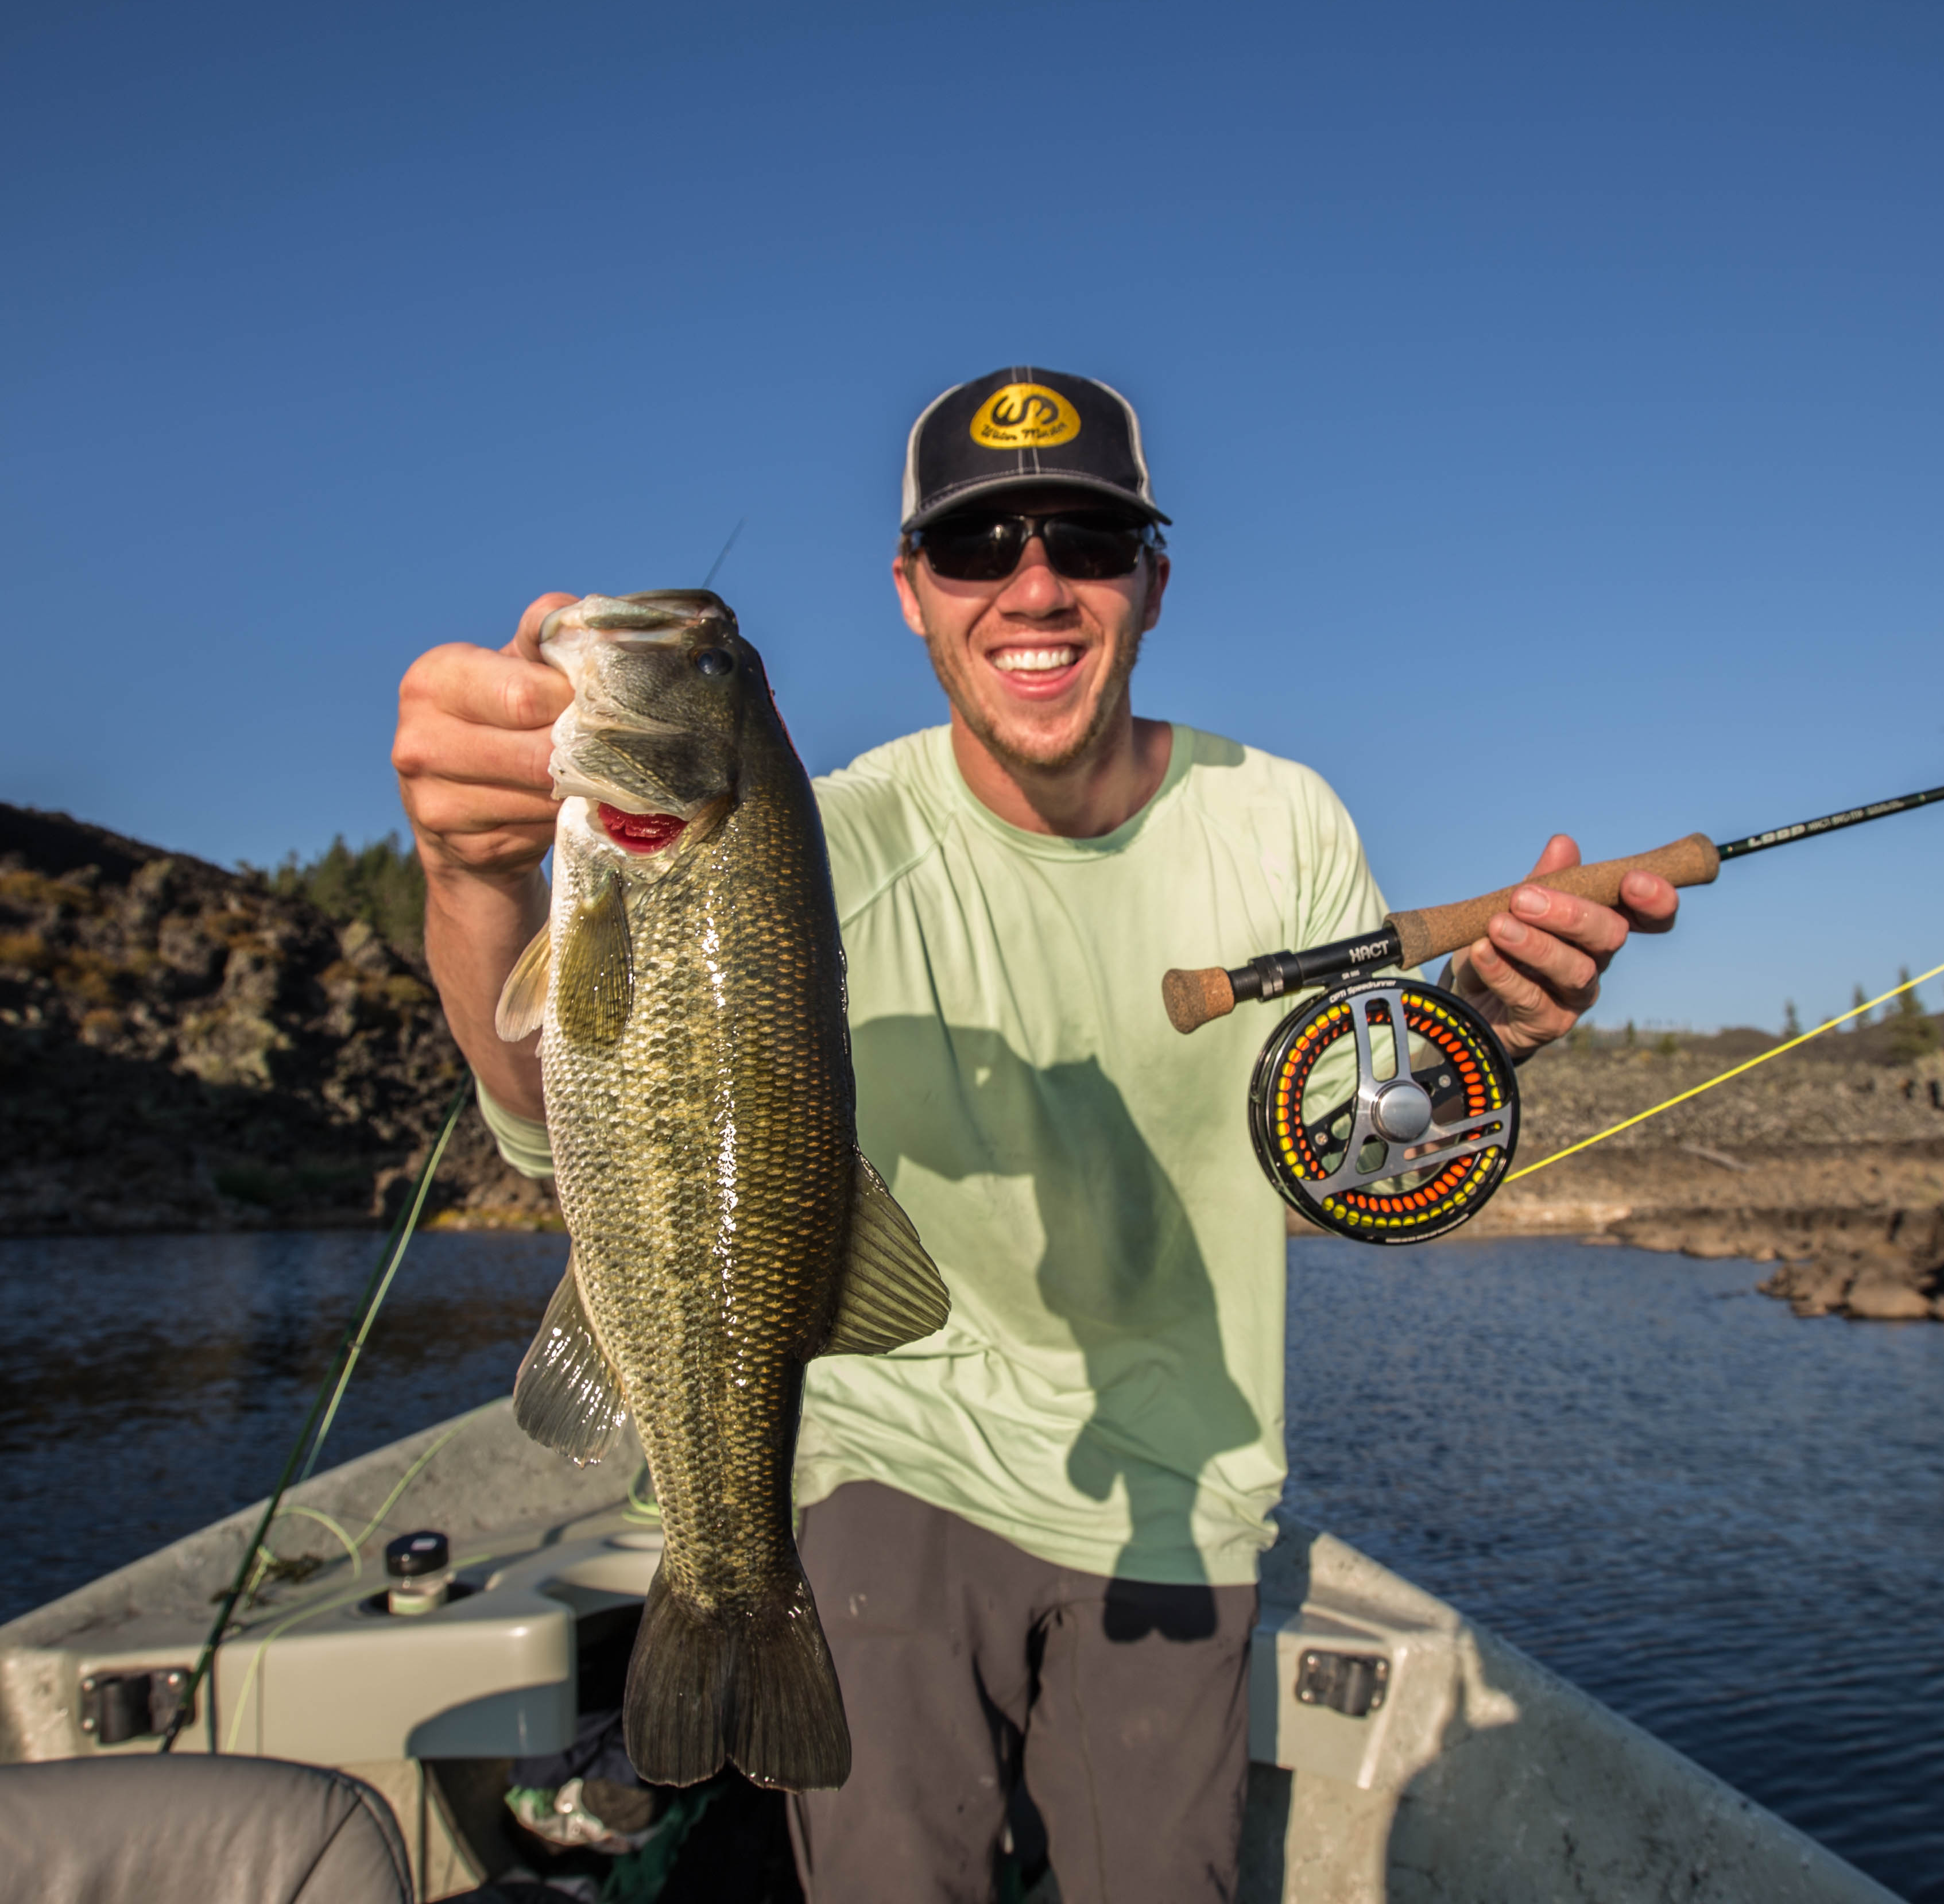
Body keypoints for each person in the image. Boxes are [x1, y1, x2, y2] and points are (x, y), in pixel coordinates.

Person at [392, 367, 1679, 1903]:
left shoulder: (1287, 823)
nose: (1035, 583)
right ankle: (731, 1597)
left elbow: (1349, 1167)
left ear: (1152, 580)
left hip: (1180, 1490)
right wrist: (474, 881)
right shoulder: (830, 827)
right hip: (886, 1460)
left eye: (1087, 538)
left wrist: (1471, 1041)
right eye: (978, 544)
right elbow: (546, 1124)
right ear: (911, 594)